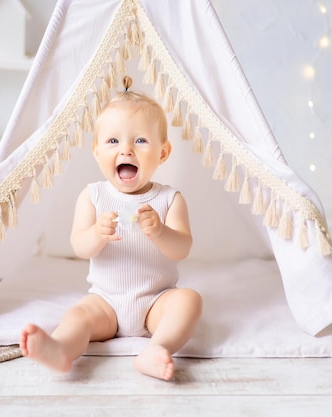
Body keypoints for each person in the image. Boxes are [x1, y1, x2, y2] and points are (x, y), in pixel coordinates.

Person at [20, 76, 203, 381]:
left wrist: (160, 232)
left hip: (155, 301)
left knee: (190, 300)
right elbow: (80, 246)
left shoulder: (170, 199)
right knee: (79, 315)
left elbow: (182, 248)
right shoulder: (93, 196)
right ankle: (62, 348)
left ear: (163, 152)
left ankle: (157, 348)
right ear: (96, 151)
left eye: (140, 140)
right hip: (106, 301)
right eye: (113, 141)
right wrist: (96, 234)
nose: (126, 150)